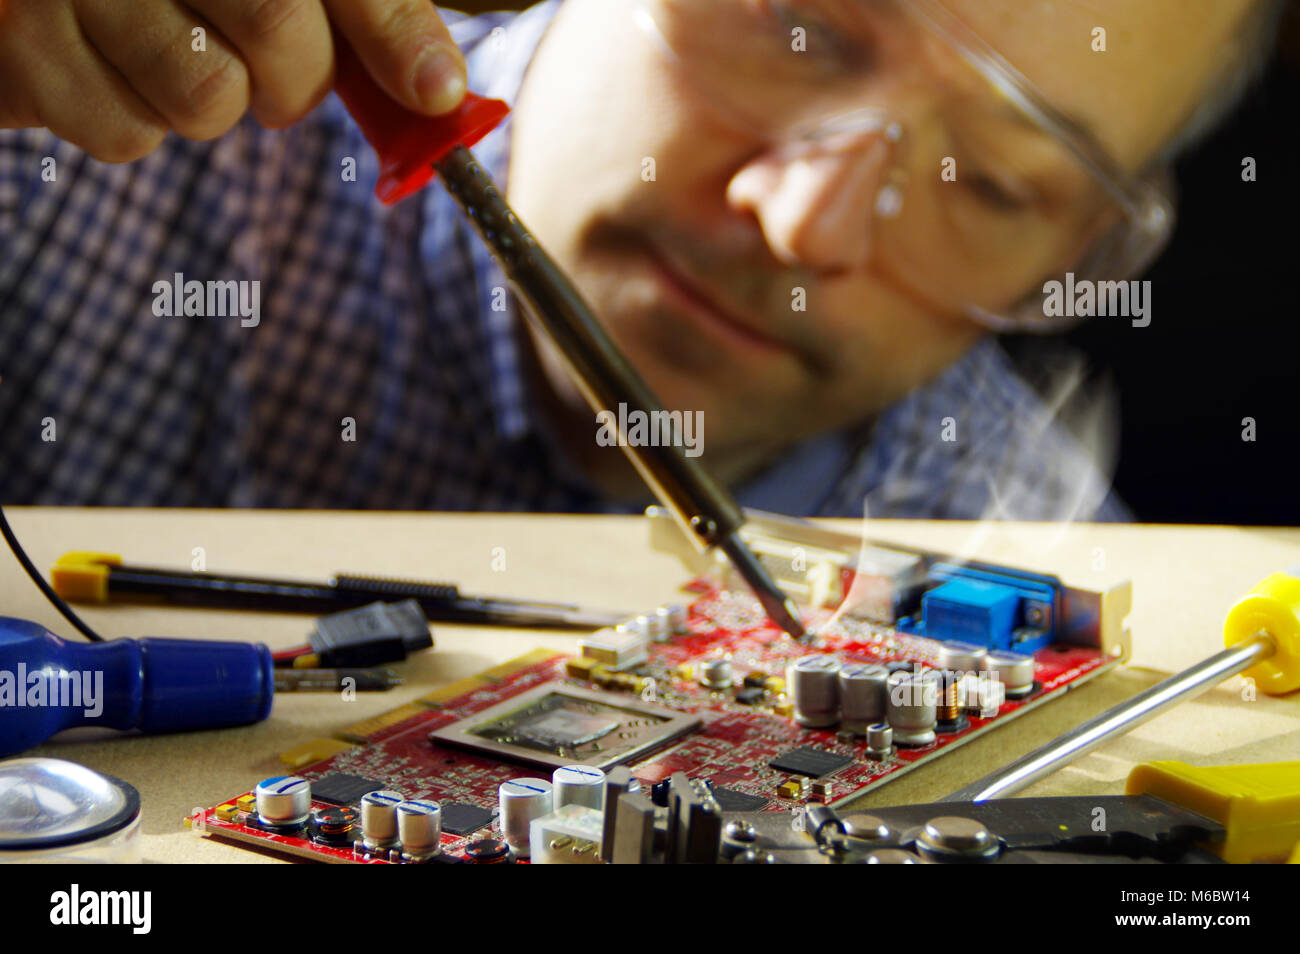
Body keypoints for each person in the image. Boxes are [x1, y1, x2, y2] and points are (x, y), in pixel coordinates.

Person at [0, 0, 1281, 518]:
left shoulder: (1035, 556)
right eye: (793, 24)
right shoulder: (79, 133)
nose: (802, 223)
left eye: (1000, 187)